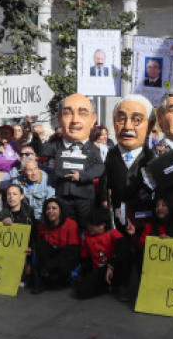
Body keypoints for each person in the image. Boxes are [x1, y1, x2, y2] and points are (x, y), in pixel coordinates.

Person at [49, 93, 105, 228]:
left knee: (84, 229)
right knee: (66, 230)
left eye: (82, 114)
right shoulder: (55, 146)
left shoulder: (93, 148)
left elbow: (99, 168)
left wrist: (82, 176)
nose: (75, 120)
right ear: (60, 118)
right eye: (68, 113)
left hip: (84, 196)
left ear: (93, 120)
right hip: (62, 196)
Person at [100, 95, 155, 226]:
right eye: (121, 119)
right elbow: (105, 179)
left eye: (137, 120)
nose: (127, 127)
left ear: (149, 125)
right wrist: (103, 199)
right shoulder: (111, 154)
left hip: (141, 210)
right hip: (118, 207)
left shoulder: (150, 157)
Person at [75, 207, 133, 299]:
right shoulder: (85, 235)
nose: (89, 227)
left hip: (113, 267)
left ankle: (122, 287)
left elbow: (124, 247)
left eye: (92, 225)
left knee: (126, 256)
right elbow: (84, 258)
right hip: (99, 271)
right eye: (88, 225)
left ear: (102, 225)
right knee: (81, 291)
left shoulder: (112, 233)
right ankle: (106, 287)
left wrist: (111, 265)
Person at [33, 197, 81, 293]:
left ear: (61, 210)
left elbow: (72, 251)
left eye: (54, 208)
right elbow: (41, 249)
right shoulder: (42, 226)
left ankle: (57, 277)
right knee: (40, 245)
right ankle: (43, 280)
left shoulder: (71, 224)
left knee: (58, 279)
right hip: (51, 255)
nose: (50, 211)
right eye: (48, 208)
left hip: (66, 256)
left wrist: (49, 266)